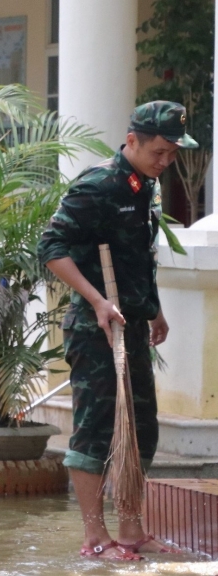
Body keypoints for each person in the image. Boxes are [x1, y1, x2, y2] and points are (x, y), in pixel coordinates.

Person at [37, 101, 196, 560]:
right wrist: (97, 300)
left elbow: (138, 258)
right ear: (132, 141)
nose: (166, 162)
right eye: (160, 152)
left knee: (141, 429)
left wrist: (154, 309)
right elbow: (51, 247)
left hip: (134, 323)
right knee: (97, 430)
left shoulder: (146, 185)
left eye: (172, 154)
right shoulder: (99, 184)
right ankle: (94, 537)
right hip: (96, 329)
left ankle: (131, 530)